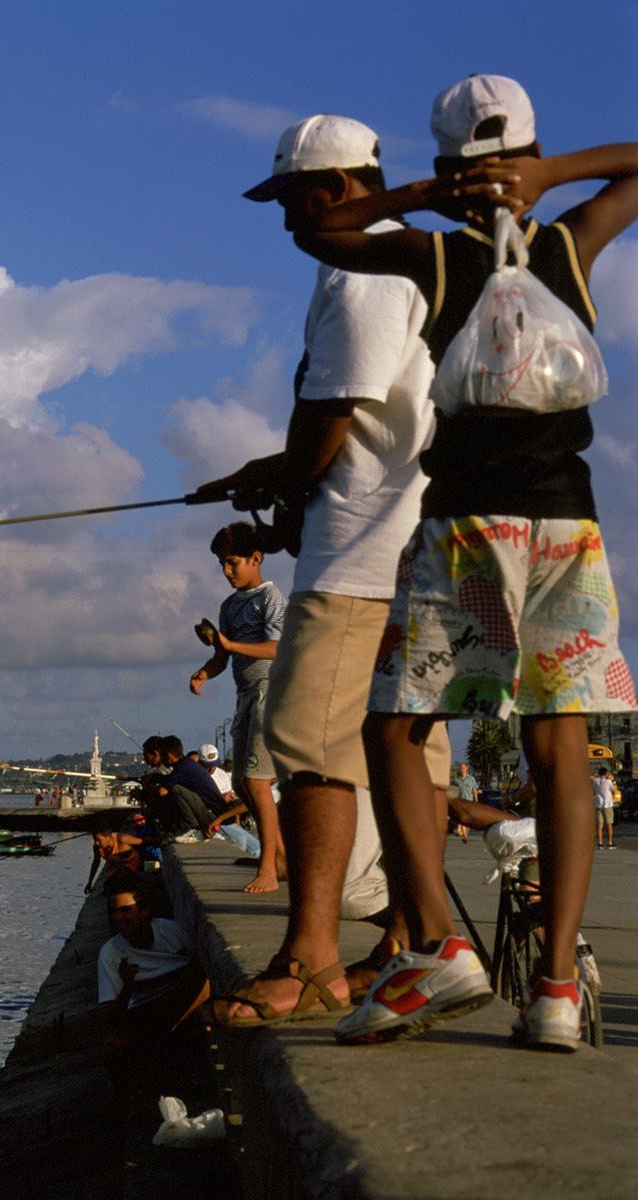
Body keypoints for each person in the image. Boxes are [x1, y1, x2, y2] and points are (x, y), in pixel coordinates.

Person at [292, 75, 638, 1049]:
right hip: (567, 529)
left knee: (394, 728)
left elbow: (323, 233)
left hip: (464, 530)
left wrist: (418, 197)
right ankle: (556, 989)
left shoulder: (436, 257)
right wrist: (546, 177)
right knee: (556, 748)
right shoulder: (567, 246)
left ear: (443, 162)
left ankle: (440, 949)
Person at [198, 115, 450, 1026]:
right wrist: (270, 473)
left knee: (306, 745)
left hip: (360, 557)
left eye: (295, 199)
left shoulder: (359, 271)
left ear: (339, 188)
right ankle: (401, 945)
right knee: (406, 754)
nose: (285, 222)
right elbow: (365, 420)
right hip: (419, 553)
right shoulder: (421, 261)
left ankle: (308, 960)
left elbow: (334, 407)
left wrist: (290, 487)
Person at [191, 523, 287, 892]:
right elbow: (221, 655)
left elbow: (276, 648)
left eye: (232, 562)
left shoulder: (270, 598)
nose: (227, 571)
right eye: (221, 564)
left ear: (255, 559)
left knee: (257, 782)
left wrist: (230, 647)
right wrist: (204, 672)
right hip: (244, 693)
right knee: (245, 784)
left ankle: (268, 869)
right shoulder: (229, 606)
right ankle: (278, 859)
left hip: (269, 689)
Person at [93, 872, 210, 1129]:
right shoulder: (111, 953)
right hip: (145, 1010)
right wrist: (127, 986)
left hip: (184, 1002)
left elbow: (204, 970)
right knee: (114, 1049)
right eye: (115, 912)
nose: (119, 918)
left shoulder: (174, 932)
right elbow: (111, 1016)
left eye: (126, 911)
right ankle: (124, 1106)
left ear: (145, 911)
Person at [593, 768, 616, 850]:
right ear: (606, 774)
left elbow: (594, 791)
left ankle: (600, 843)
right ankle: (610, 843)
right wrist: (611, 780)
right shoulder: (608, 782)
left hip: (598, 805)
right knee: (609, 825)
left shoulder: (595, 781)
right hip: (607, 805)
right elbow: (613, 790)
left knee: (599, 825)